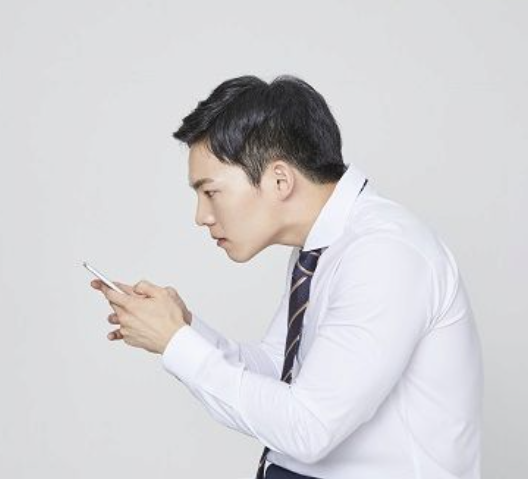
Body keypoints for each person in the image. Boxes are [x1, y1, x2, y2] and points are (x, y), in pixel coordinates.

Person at [91, 75, 483, 479]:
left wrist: (176, 342)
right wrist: (183, 328)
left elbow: (309, 428)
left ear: (280, 179)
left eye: (210, 192)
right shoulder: (322, 247)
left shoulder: (386, 253)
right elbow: (278, 370)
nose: (201, 216)